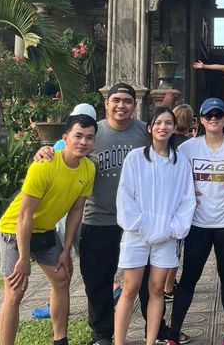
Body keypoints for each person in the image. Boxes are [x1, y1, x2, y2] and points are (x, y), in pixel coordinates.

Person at [34, 83, 187, 345]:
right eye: (116, 100)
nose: (121, 105)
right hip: (99, 218)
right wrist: (44, 151)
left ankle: (156, 330)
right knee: (98, 281)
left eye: (127, 101)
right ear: (106, 103)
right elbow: (66, 151)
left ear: (134, 105)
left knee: (149, 283)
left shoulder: (144, 131)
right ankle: (103, 335)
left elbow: (168, 154)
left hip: (142, 224)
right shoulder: (92, 132)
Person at [0, 109, 97, 345]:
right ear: (65, 138)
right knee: (15, 291)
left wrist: (66, 249)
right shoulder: (44, 165)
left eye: (89, 137)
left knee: (62, 279)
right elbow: (24, 214)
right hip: (14, 230)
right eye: (78, 136)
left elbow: (76, 211)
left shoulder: (88, 169)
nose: (83, 142)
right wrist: (23, 258)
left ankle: (60, 340)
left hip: (45, 231)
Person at [166, 97, 224, 345]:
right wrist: (184, 193)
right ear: (201, 120)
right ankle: (173, 334)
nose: (213, 119)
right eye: (208, 115)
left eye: (218, 114)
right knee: (189, 278)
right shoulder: (188, 148)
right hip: (198, 223)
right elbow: (168, 171)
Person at [114, 107, 196, 345]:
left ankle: (151, 341)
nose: (163, 127)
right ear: (150, 127)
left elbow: (187, 200)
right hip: (136, 233)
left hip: (167, 235)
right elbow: (125, 196)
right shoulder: (135, 158)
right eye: (158, 122)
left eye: (168, 123)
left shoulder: (181, 162)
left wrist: (172, 229)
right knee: (130, 288)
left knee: (158, 289)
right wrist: (141, 225)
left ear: (174, 127)